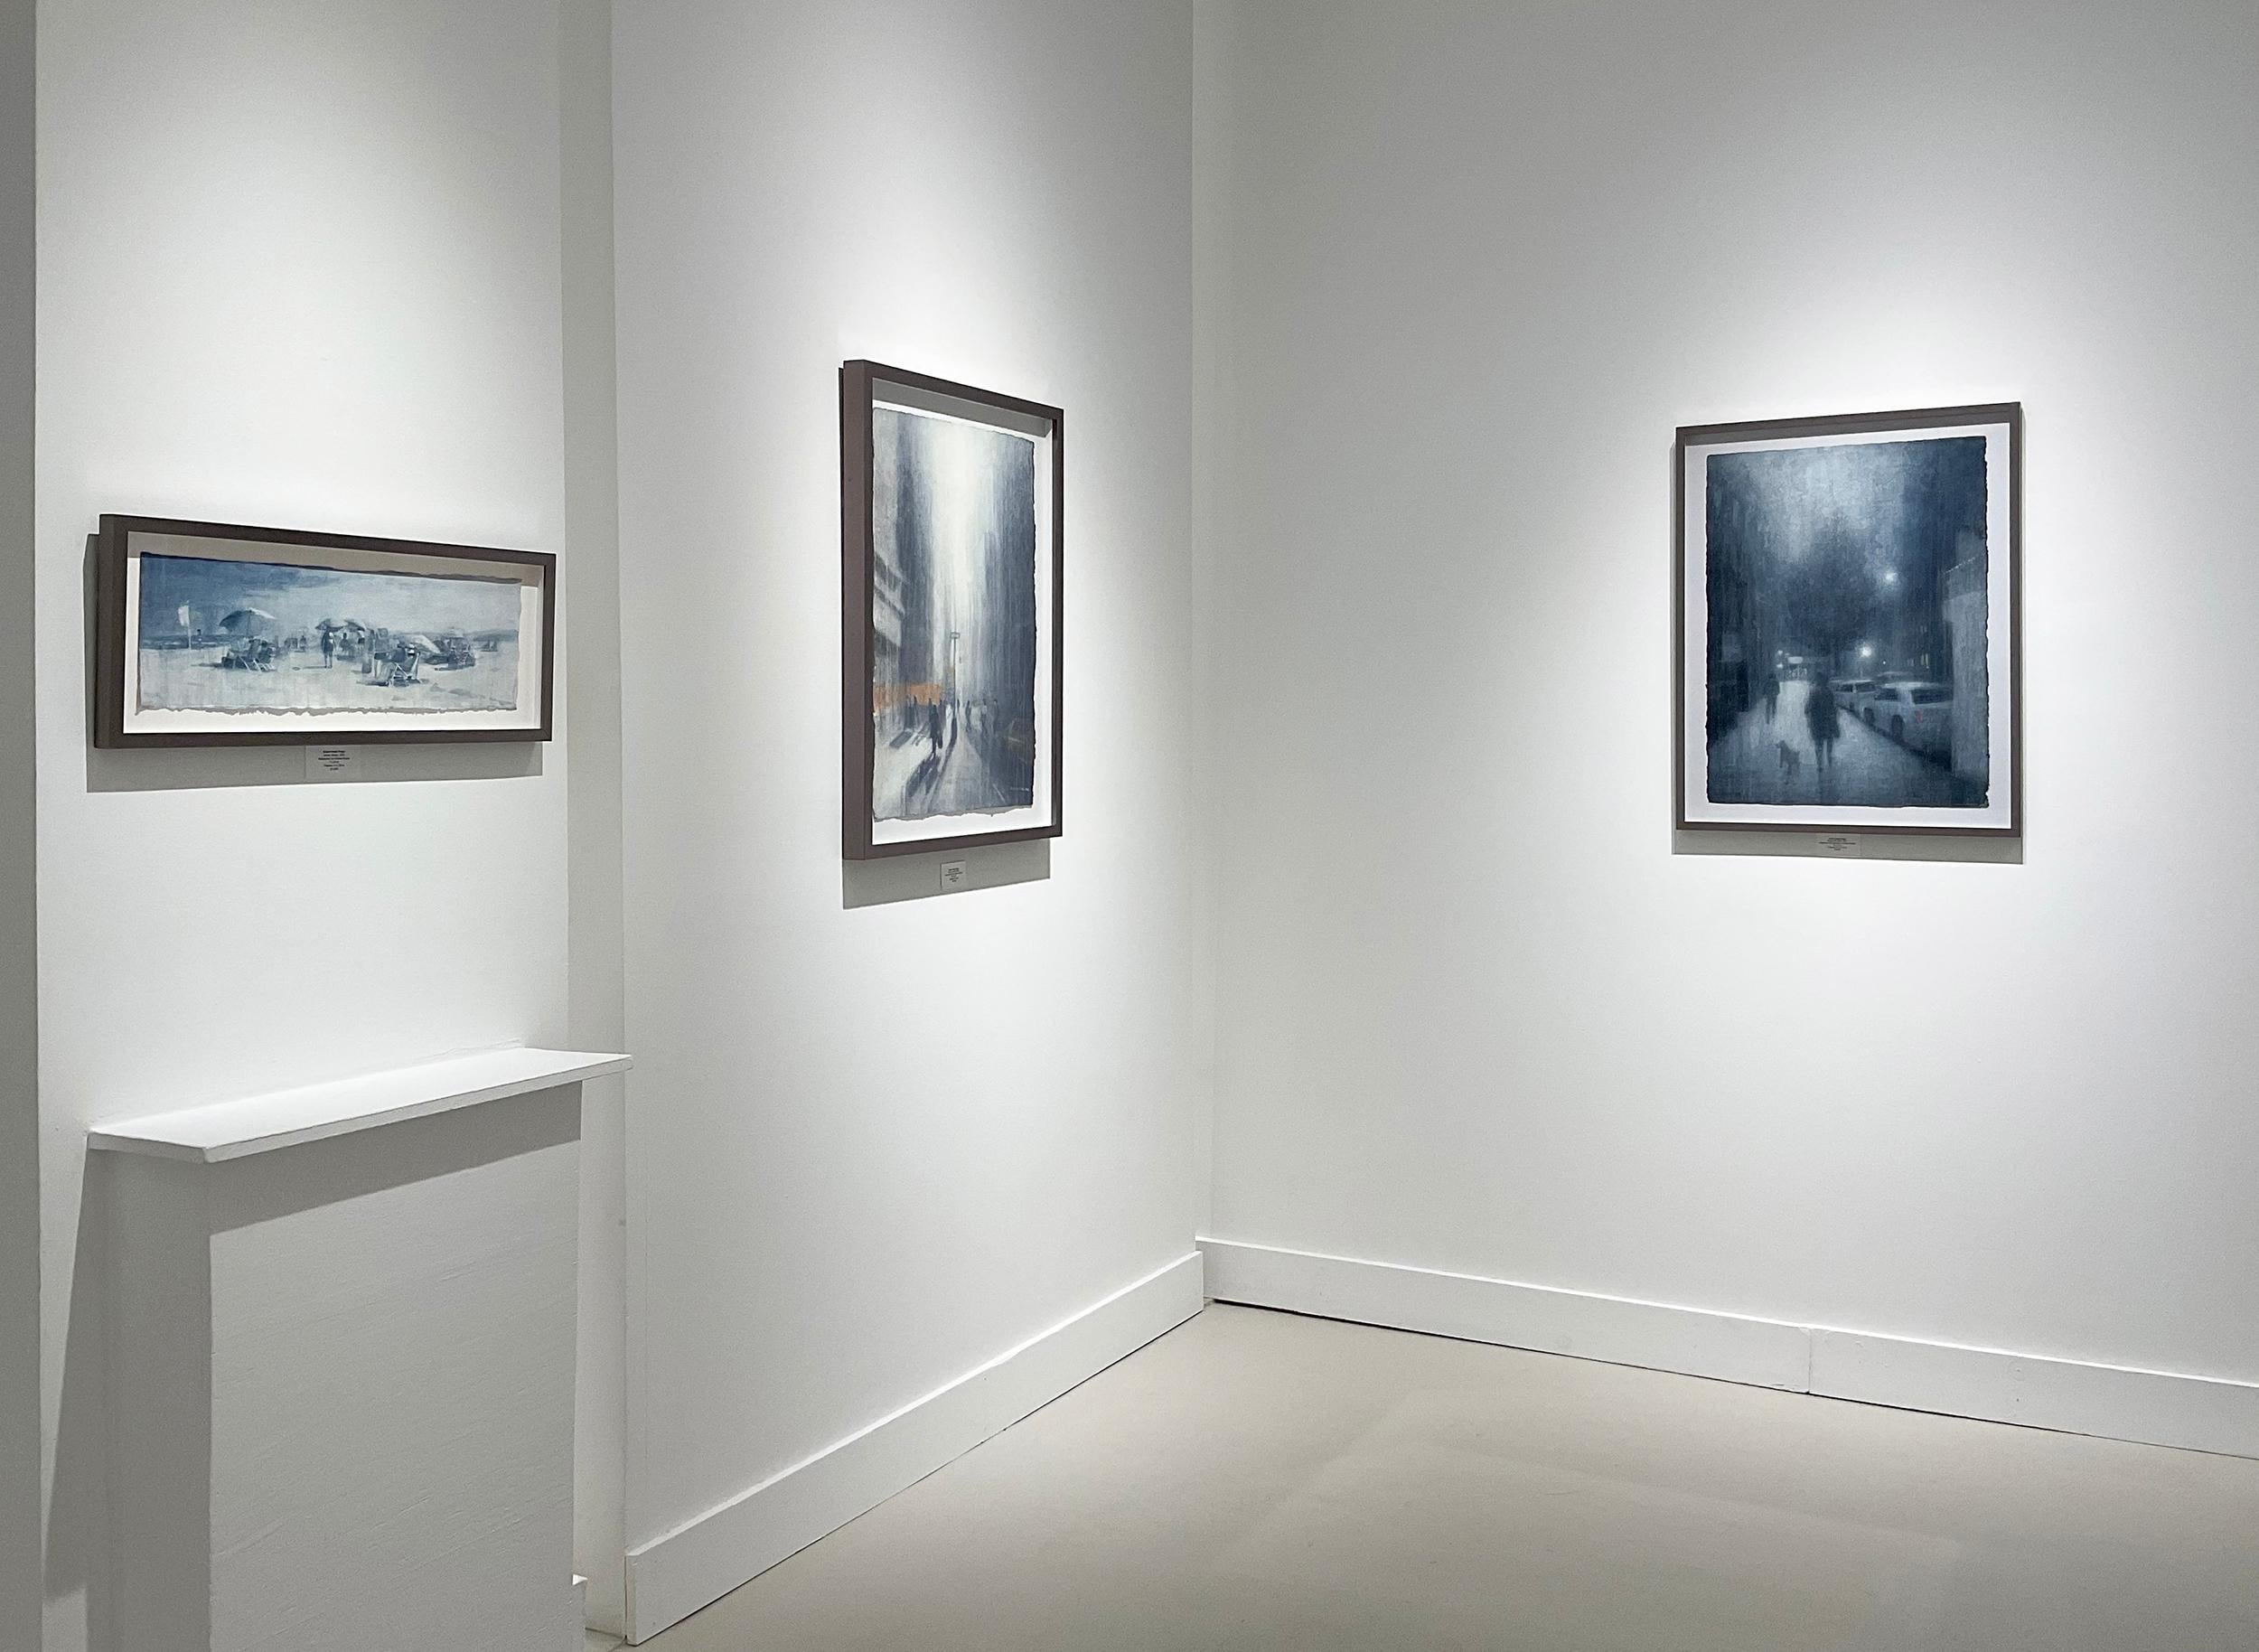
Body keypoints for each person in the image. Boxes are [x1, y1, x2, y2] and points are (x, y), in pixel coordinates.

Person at [1805, 671, 1841, 774]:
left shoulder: (1814, 692)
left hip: (1817, 722)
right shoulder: (1829, 692)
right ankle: (1829, 760)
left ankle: (1820, 764)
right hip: (1828, 722)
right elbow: (1834, 707)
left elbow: (1808, 707)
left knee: (1819, 744)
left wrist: (1808, 711)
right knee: (1829, 742)